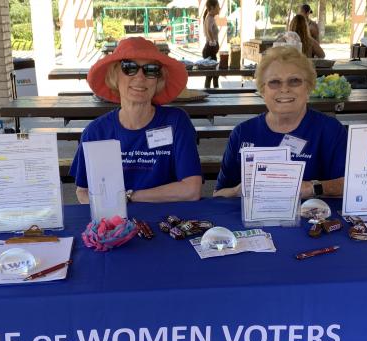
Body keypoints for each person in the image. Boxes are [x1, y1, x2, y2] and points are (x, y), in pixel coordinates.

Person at [70, 37, 202, 204]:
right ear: (114, 76)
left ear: (158, 80)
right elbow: (83, 191)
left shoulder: (176, 122)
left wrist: (128, 197)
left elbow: (191, 190)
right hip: (117, 225)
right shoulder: (96, 132)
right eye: (129, 68)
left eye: (151, 69)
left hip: (168, 221)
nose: (140, 77)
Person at [213, 46, 347, 199]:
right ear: (263, 91)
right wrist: (238, 191)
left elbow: (349, 184)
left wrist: (312, 187)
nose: (284, 89)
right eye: (275, 82)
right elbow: (218, 194)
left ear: (309, 88)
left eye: (294, 81)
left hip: (314, 219)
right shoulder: (243, 133)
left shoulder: (330, 130)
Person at [202, 0, 221, 89]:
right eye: (218, 6)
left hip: (210, 50)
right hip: (210, 50)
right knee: (212, 75)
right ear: (212, 8)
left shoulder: (210, 17)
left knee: (212, 75)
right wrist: (213, 41)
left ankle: (213, 93)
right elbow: (209, 30)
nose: (219, 8)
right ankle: (213, 94)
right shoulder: (210, 18)